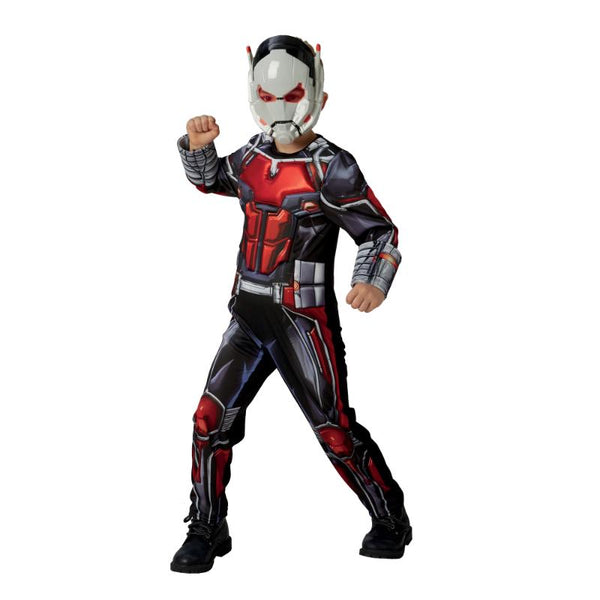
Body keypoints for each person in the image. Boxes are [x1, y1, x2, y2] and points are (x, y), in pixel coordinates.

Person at [170, 34, 412, 573]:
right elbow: (213, 180)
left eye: (292, 94)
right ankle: (206, 526)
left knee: (334, 430)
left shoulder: (331, 167)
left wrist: (372, 280)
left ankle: (390, 517)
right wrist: (198, 145)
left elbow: (379, 232)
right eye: (268, 95)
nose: (280, 109)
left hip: (302, 319)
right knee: (209, 419)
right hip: (248, 314)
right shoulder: (253, 156)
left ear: (317, 95)